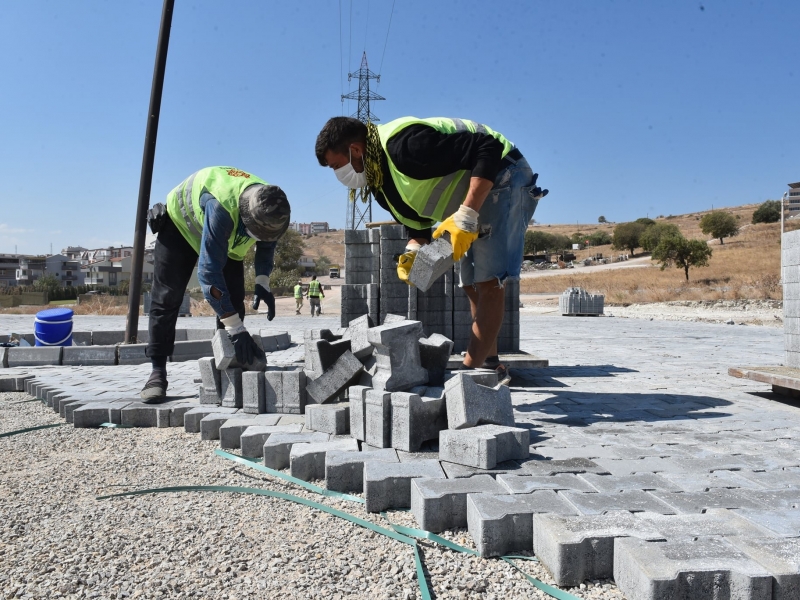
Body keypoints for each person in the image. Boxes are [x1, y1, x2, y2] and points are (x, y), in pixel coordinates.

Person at [315, 116, 547, 374]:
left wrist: (468, 215)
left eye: (337, 166)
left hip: (502, 172)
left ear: (356, 150)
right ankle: (490, 363)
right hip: (473, 191)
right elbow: (418, 225)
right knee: (471, 284)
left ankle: (470, 377)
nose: (338, 175)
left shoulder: (405, 146)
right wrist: (413, 252)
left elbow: (487, 148)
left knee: (490, 282)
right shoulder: (380, 184)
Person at [141, 166, 291, 401]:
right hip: (180, 228)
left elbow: (267, 244)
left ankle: (229, 369)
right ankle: (157, 372)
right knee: (167, 297)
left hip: (223, 238)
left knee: (233, 301)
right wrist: (236, 328)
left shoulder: (273, 207)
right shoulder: (222, 209)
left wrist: (263, 281)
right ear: (245, 217)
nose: (258, 238)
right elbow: (209, 276)